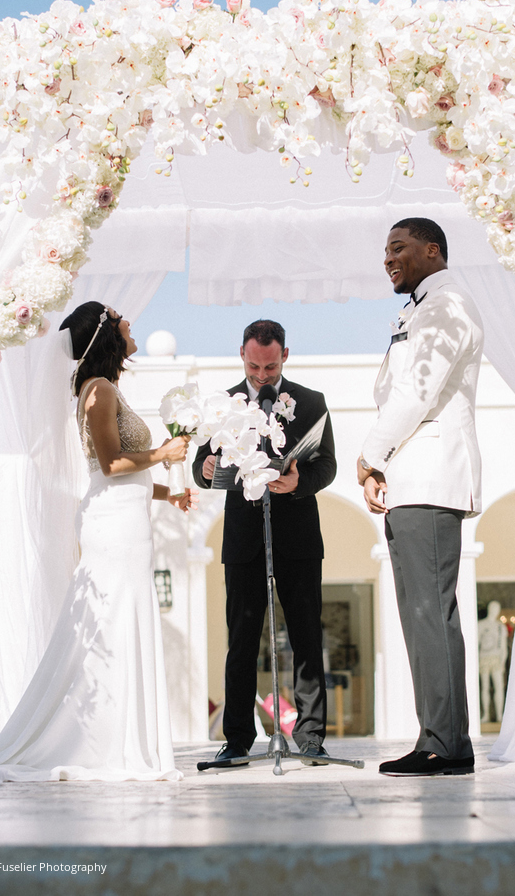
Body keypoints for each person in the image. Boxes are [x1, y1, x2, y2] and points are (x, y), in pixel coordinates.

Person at [0, 301, 197, 781]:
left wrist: (167, 494)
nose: (129, 322)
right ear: (106, 334)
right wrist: (163, 452)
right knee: (111, 622)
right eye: (120, 317)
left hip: (126, 518)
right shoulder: (98, 389)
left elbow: (121, 473)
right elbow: (111, 464)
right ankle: (105, 742)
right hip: (114, 526)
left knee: (118, 620)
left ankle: (116, 735)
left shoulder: (104, 387)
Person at [357, 218, 484, 777]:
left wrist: (370, 455)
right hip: (412, 477)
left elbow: (417, 390)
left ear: (433, 250)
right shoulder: (423, 306)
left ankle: (445, 742)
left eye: (399, 247)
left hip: (432, 474)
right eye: (385, 250)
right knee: (419, 613)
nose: (388, 258)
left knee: (430, 610)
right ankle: (438, 736)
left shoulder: (446, 304)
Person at [193, 319, 337, 766]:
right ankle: (237, 738)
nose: (261, 375)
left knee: (306, 637)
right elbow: (200, 464)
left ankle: (310, 736)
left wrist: (298, 482)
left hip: (297, 538)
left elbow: (327, 466)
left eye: (270, 367)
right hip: (243, 539)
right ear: (242, 354)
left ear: (285, 356)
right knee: (241, 639)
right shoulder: (223, 406)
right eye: (254, 366)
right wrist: (205, 468)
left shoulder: (311, 402)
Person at [478, 601, 508, 723]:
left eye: (497, 609)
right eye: (493, 608)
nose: (495, 611)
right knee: (485, 687)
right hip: (484, 658)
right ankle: (485, 715)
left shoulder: (500, 627)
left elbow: (503, 647)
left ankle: (499, 715)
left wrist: (502, 662)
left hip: (496, 658)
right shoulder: (481, 625)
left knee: (498, 686)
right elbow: (476, 644)